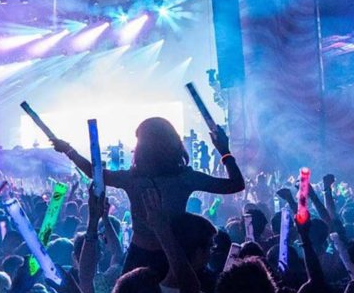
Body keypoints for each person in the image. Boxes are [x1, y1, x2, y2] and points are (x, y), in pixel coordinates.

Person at [50, 117, 244, 273]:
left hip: (138, 257)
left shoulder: (133, 179)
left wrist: (70, 151)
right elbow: (236, 184)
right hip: (174, 256)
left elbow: (97, 174)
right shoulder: (185, 178)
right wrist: (224, 151)